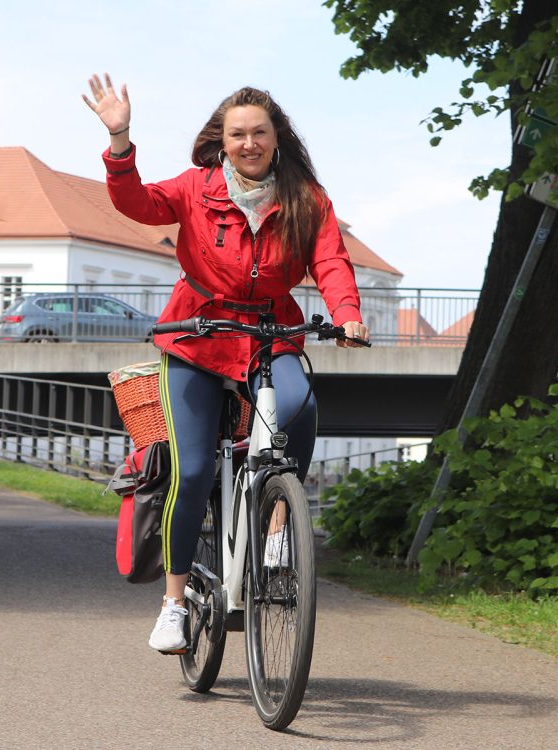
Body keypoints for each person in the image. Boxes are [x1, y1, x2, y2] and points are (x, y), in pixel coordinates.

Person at [83, 73, 370, 653]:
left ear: (276, 138)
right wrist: (120, 140)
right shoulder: (195, 188)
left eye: (258, 132)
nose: (248, 143)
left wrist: (346, 313)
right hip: (197, 335)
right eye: (237, 134)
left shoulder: (306, 199)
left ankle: (276, 527)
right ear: (222, 140)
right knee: (190, 473)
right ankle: (173, 603)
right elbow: (133, 202)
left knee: (298, 407)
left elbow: (331, 260)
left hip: (268, 334)